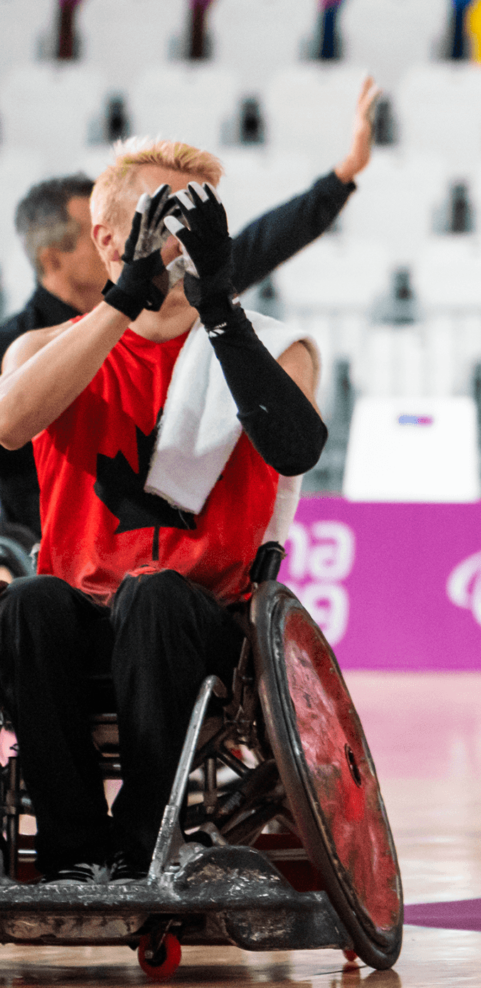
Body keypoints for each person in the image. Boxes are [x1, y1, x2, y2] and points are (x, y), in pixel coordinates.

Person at [0, 138, 325, 884]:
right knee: (28, 601)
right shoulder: (43, 349)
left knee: (151, 594)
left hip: (202, 622)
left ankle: (149, 833)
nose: (179, 239)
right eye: (162, 218)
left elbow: (296, 448)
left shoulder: (274, 349)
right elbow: (9, 425)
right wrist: (122, 301)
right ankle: (74, 846)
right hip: (81, 614)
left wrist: (218, 303)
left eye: (194, 221)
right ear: (108, 238)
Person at [0, 76, 379, 531]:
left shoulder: (185, 289)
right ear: (91, 243)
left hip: (178, 561)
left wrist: (340, 178)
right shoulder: (24, 344)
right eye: (136, 225)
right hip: (39, 545)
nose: (150, 241)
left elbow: (261, 242)